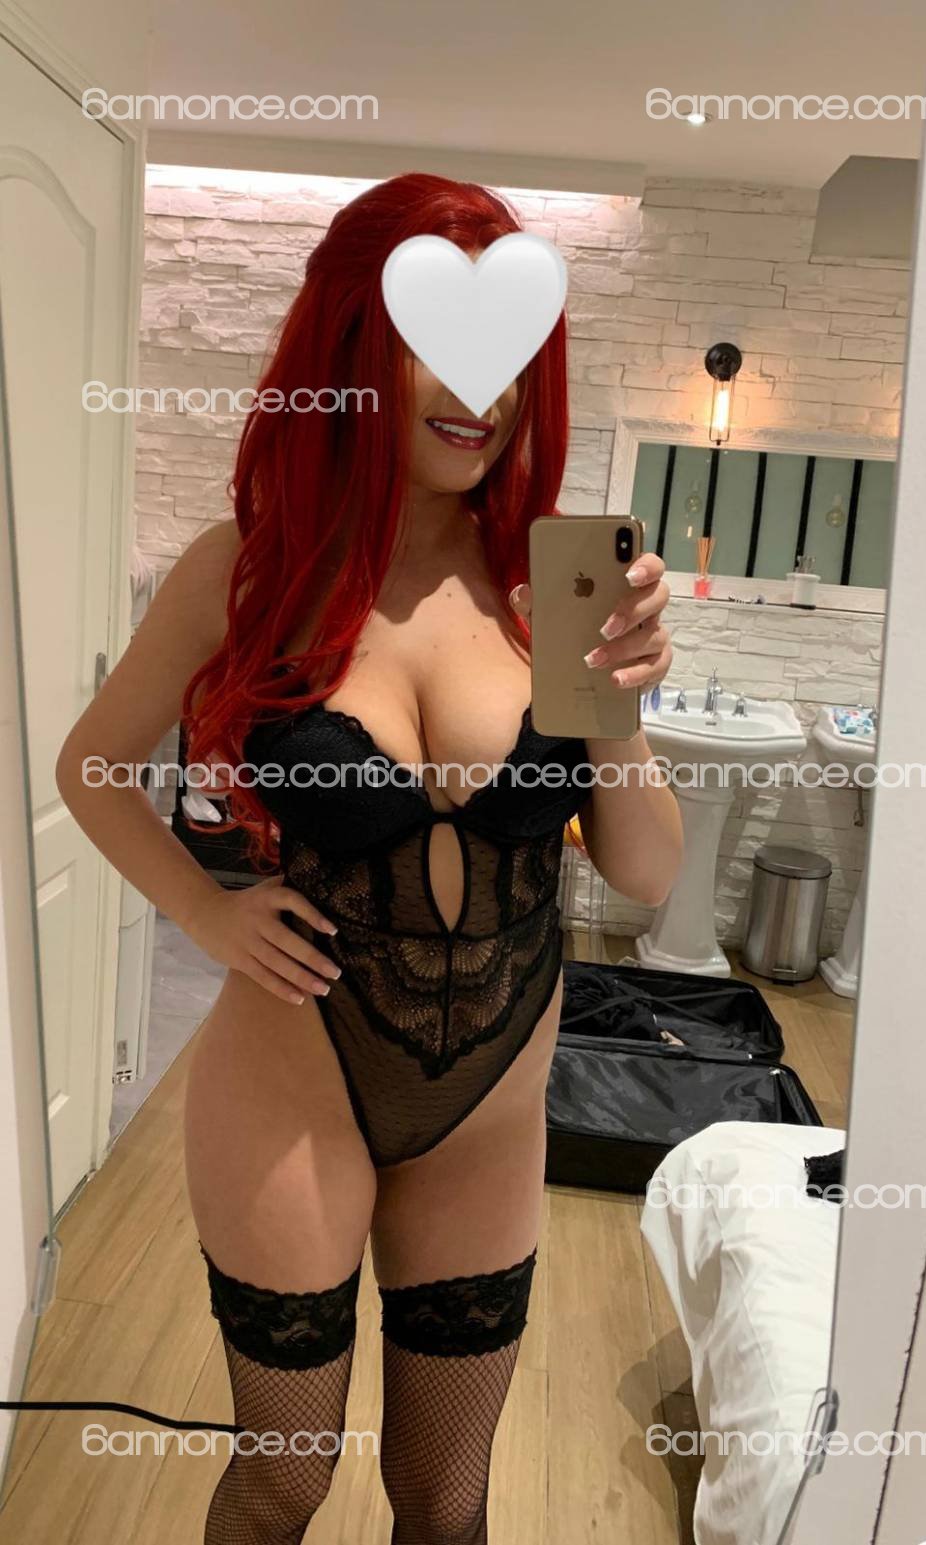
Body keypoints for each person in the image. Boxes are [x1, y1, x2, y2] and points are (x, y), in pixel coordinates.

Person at [55, 172, 683, 1545]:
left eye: (509, 355)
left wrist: (620, 702)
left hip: (494, 1106)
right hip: (292, 1084)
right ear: (349, 350)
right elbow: (90, 767)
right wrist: (205, 914)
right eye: (434, 345)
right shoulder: (249, 570)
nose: (482, 392)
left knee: (446, 1503)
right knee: (283, 1479)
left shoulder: (553, 584)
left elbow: (644, 872)